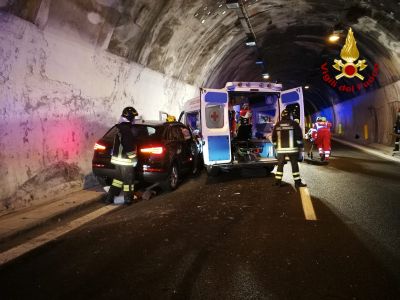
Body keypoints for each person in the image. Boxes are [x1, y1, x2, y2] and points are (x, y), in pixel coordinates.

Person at [104, 106, 139, 205]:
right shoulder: (127, 129)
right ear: (131, 117)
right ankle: (128, 199)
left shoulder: (119, 127)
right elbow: (128, 146)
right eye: (134, 117)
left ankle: (109, 198)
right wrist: (134, 158)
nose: (134, 120)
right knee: (129, 181)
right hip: (125, 161)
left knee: (117, 180)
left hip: (117, 160)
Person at [272, 109, 307, 188]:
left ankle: (277, 182)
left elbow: (274, 137)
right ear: (290, 116)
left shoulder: (277, 124)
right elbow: (299, 137)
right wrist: (300, 147)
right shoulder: (294, 124)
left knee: (280, 165)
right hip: (293, 150)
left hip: (281, 150)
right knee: (294, 165)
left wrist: (276, 146)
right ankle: (297, 183)